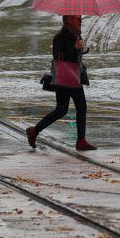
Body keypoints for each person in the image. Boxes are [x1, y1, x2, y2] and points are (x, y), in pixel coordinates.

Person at [27, 15, 97, 151]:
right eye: (77, 18)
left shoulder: (75, 35)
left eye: (80, 17)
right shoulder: (59, 37)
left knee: (63, 109)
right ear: (68, 20)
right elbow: (59, 58)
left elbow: (75, 56)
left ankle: (34, 131)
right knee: (75, 108)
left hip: (73, 77)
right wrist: (75, 48)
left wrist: (80, 48)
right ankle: (80, 140)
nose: (80, 20)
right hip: (65, 78)